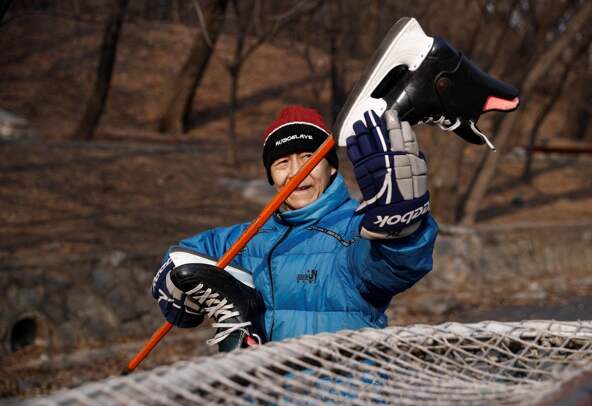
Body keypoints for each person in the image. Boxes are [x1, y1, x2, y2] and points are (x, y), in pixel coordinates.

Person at [152, 106, 438, 346]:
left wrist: (399, 232)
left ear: (331, 167)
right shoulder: (250, 237)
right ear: (271, 177)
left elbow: (391, 266)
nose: (296, 172)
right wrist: (172, 275)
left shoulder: (355, 228)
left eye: (308, 158)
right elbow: (187, 252)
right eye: (282, 162)